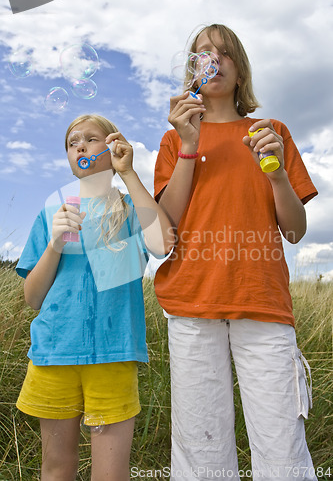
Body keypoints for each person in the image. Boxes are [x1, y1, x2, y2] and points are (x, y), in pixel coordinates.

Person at [154, 24, 318, 480]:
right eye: (202, 53)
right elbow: (165, 225)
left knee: (282, 440)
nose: (214, 60)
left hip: (261, 301)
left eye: (224, 53)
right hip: (192, 300)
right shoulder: (174, 140)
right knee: (199, 446)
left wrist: (279, 175)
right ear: (192, 72)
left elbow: (296, 229)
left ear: (240, 70)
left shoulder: (271, 132)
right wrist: (189, 145)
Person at [15, 114, 174, 481]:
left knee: (111, 474)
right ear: (69, 157)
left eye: (91, 138)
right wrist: (55, 244)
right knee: (56, 467)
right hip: (54, 353)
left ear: (112, 146)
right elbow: (33, 297)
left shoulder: (130, 209)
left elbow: (163, 243)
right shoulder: (52, 213)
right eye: (73, 142)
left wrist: (129, 173)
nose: (81, 146)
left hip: (114, 353)